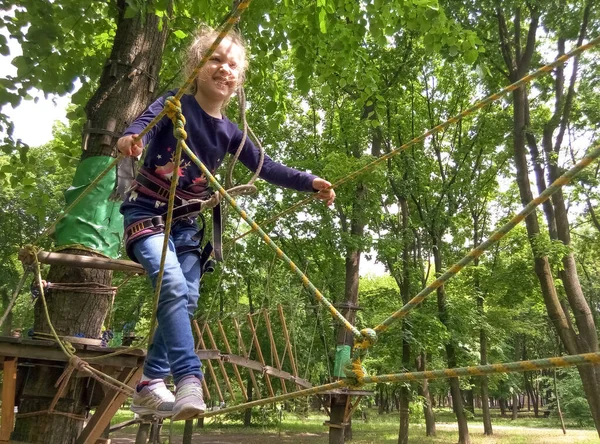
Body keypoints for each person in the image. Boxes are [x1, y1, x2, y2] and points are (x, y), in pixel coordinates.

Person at [116, 26, 336, 421]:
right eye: (215, 59)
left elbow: (267, 167)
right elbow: (141, 126)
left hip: (186, 226)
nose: (224, 69)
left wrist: (310, 182)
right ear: (196, 67)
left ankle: (149, 383)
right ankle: (188, 378)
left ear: (240, 79)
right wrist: (130, 139)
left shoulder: (232, 133)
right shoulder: (174, 105)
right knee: (171, 283)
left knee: (189, 297)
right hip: (147, 213)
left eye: (232, 64)